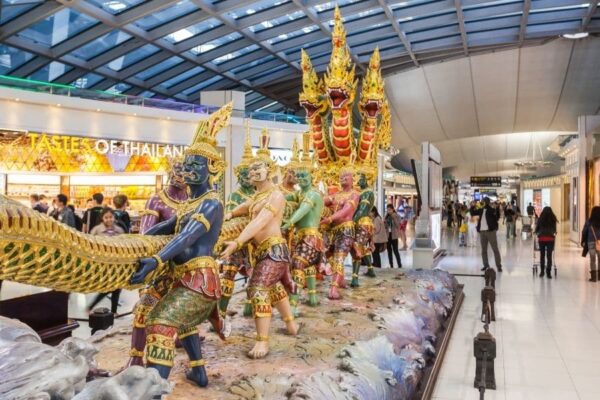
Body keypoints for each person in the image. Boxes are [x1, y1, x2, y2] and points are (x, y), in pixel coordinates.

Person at [88, 208, 125, 314]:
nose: (109, 219)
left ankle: (113, 311)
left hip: (118, 263)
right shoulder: (96, 230)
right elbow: (89, 245)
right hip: (104, 264)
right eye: (106, 217)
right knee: (109, 287)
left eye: (111, 217)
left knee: (117, 288)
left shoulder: (119, 230)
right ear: (102, 218)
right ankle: (91, 306)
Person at [471, 197, 502, 272]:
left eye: (483, 201)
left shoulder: (491, 210)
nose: (482, 202)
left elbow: (497, 217)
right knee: (483, 250)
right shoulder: (481, 210)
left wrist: (497, 208)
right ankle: (486, 265)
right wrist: (473, 205)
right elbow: (472, 213)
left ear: (486, 202)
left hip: (490, 231)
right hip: (482, 232)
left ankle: (498, 266)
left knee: (495, 249)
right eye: (482, 201)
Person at [535, 206, 558, 279]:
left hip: (541, 239)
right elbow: (554, 230)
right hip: (550, 239)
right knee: (549, 256)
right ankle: (548, 272)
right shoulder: (553, 219)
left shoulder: (540, 219)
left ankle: (542, 272)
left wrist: (538, 233)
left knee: (542, 255)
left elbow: (537, 229)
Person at [582, 206, 600, 282]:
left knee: (592, 260)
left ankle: (593, 277)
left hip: (591, 242)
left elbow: (584, 231)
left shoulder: (589, 221)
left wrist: (583, 240)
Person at [385, 204, 402, 268]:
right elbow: (385, 226)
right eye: (387, 209)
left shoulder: (396, 216)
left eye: (390, 209)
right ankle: (391, 265)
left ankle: (399, 264)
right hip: (388, 236)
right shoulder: (386, 216)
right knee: (389, 251)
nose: (388, 211)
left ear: (392, 209)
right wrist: (385, 222)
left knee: (395, 251)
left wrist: (393, 217)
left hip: (394, 236)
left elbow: (398, 226)